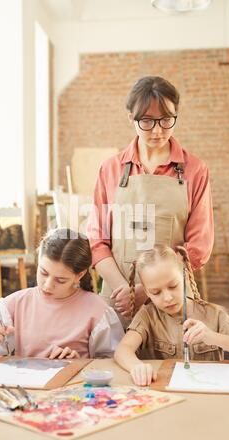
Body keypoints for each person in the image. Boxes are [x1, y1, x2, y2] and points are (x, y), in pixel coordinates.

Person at [87, 76, 214, 320]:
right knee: (114, 357)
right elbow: (97, 240)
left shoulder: (195, 170)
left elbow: (198, 247)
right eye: (147, 121)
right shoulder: (110, 169)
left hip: (171, 300)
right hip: (118, 301)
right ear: (130, 117)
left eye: (166, 120)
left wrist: (145, 290)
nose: (157, 131)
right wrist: (123, 290)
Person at [0, 229, 124, 358]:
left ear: (79, 275)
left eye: (60, 280)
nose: (47, 285)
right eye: (43, 272)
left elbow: (112, 361)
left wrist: (79, 363)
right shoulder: (17, 303)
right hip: (26, 393)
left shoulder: (97, 310)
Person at [114, 245, 229, 386]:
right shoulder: (147, 316)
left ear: (184, 277)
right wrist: (136, 366)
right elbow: (123, 350)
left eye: (173, 286)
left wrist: (212, 336)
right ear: (147, 292)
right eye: (156, 292)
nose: (167, 298)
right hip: (165, 395)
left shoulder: (214, 314)